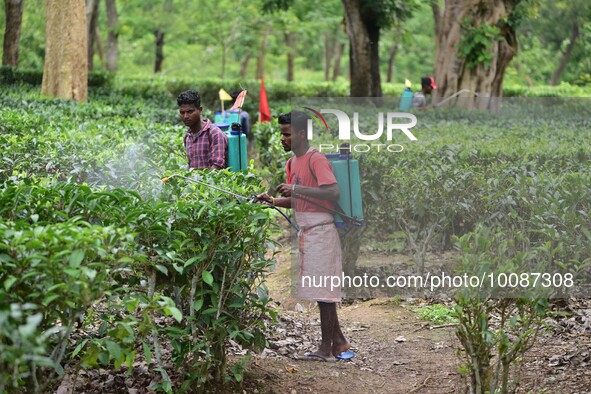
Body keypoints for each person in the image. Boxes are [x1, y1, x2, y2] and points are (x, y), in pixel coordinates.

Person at [257, 111, 353, 362]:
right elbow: (297, 198)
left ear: (301, 134)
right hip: (307, 231)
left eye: (286, 134)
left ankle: (325, 349)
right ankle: (340, 343)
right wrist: (274, 200)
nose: (282, 139)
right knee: (322, 292)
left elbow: (332, 191)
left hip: (322, 230)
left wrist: (296, 188)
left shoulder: (316, 159)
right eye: (281, 134)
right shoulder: (292, 163)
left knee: (325, 293)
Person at [177, 90, 228, 170]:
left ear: (200, 110)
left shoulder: (215, 134)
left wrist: (197, 178)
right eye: (182, 112)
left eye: (190, 112)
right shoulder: (187, 136)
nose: (185, 116)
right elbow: (191, 165)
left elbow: (217, 167)